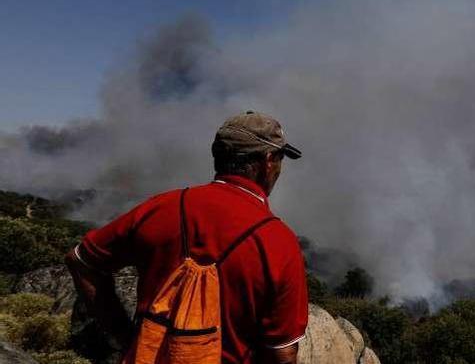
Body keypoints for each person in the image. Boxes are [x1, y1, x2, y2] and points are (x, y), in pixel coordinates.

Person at [65, 111, 309, 364]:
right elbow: (283, 353)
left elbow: (80, 260)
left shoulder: (161, 208)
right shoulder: (278, 241)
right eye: (280, 158)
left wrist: (123, 336)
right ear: (268, 161)